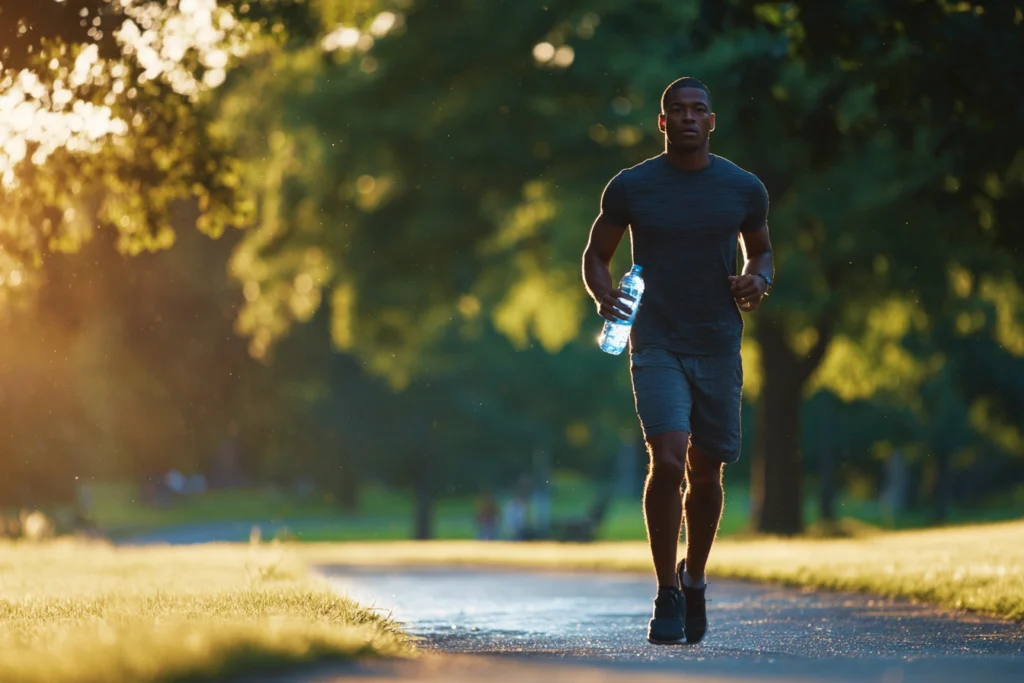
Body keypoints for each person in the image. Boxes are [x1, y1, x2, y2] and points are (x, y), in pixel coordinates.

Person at [581, 77, 773, 645]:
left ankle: (694, 579)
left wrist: (758, 278)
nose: (688, 118)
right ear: (662, 122)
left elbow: (760, 248)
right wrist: (601, 293)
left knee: (707, 470)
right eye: (677, 111)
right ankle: (666, 589)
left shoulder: (743, 188)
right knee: (668, 459)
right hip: (655, 339)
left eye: (698, 110)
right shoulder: (632, 187)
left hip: (717, 341)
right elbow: (596, 253)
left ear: (712, 121)